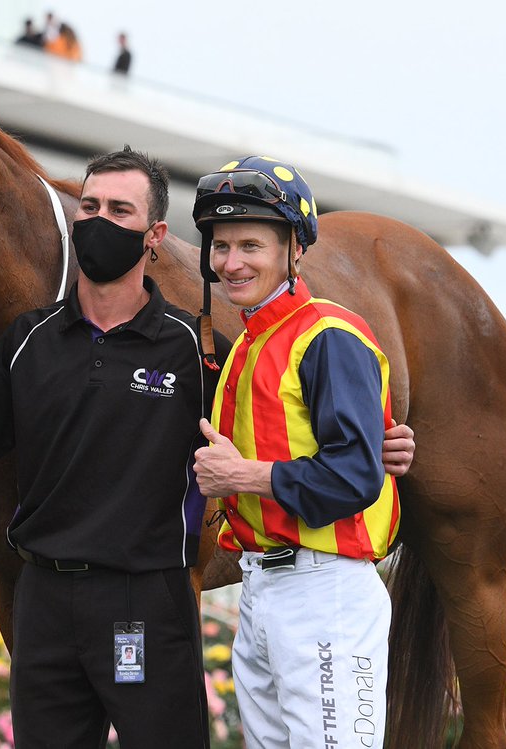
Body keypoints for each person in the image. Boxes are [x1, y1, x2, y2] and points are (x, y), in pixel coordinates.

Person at [0, 146, 413, 748]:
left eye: (120, 210)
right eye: (90, 207)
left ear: (155, 235)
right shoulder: (30, 339)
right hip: (50, 599)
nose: (99, 221)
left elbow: (307, 443)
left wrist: (382, 446)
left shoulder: (200, 350)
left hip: (157, 600)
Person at [190, 156, 402, 749]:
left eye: (250, 246)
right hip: (262, 588)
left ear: (294, 250)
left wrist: (243, 475)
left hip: (324, 590)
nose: (231, 263)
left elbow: (354, 476)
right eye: (221, 246)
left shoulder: (328, 335)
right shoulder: (247, 344)